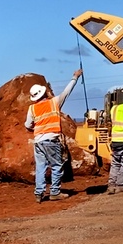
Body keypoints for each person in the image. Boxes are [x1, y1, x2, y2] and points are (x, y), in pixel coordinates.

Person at [25, 69, 82, 203]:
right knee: (56, 165)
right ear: (45, 92)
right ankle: (55, 192)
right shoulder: (54, 102)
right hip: (51, 140)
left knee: (40, 168)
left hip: (38, 141)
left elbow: (27, 125)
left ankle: (39, 193)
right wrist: (75, 77)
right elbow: (67, 92)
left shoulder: (32, 108)